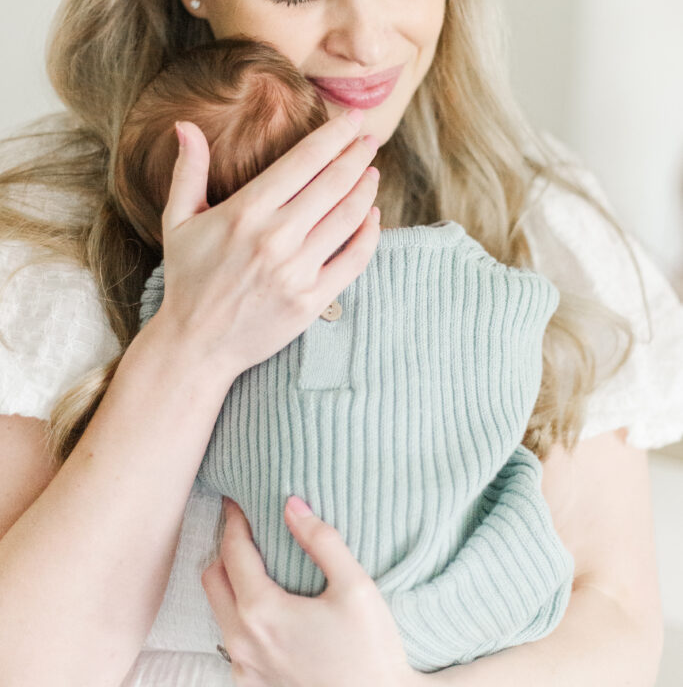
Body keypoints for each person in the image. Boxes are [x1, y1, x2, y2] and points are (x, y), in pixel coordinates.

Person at [0, 0, 681, 687]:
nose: (367, 41)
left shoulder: (530, 216)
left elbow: (616, 618)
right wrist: (190, 338)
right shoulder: (48, 244)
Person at [111, 33, 574, 671]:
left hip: (276, 614)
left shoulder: (166, 308)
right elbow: (523, 307)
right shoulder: (437, 264)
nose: (364, 38)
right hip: (470, 611)